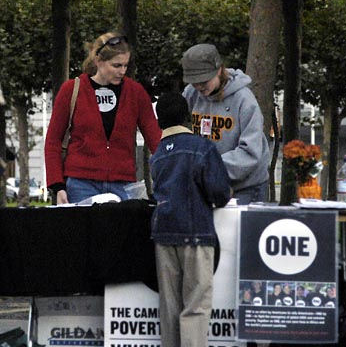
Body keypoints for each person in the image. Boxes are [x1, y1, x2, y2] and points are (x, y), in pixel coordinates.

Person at [150, 92, 231, 347]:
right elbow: (218, 192)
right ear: (187, 116)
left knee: (169, 309)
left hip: (163, 235)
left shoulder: (158, 153)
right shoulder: (201, 147)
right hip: (195, 233)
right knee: (195, 307)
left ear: (159, 120)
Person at [45, 32, 161, 204]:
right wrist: (57, 185)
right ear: (98, 61)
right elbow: (53, 140)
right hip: (81, 183)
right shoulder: (71, 89)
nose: (122, 71)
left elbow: (155, 139)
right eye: (116, 65)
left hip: (123, 183)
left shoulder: (135, 92)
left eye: (125, 65)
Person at [181, 43, 269, 205]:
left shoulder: (244, 100)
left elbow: (251, 152)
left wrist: (208, 167)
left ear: (219, 70)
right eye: (194, 82)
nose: (199, 86)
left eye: (204, 80)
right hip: (207, 183)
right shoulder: (191, 94)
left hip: (245, 188)